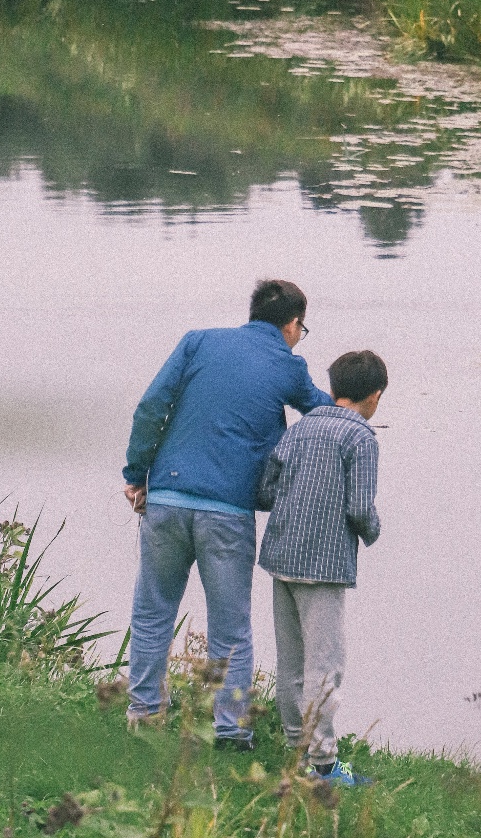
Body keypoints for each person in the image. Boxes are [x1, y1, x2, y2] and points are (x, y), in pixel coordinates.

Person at [121, 278, 333, 746]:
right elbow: (323, 413)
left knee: (153, 610)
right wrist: (358, 408)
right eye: (302, 328)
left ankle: (145, 713)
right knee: (231, 625)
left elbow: (152, 406)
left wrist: (138, 473)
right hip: (227, 513)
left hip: (169, 499)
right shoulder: (289, 366)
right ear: (293, 324)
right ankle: (232, 730)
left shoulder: (198, 342)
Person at [256, 348, 387, 786]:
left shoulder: (298, 430)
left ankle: (297, 749)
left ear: (331, 390)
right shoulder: (361, 439)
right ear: (375, 396)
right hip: (325, 565)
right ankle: (324, 764)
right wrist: (373, 532)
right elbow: (359, 508)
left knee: (291, 662)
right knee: (325, 666)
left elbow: (266, 491)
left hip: (281, 557)